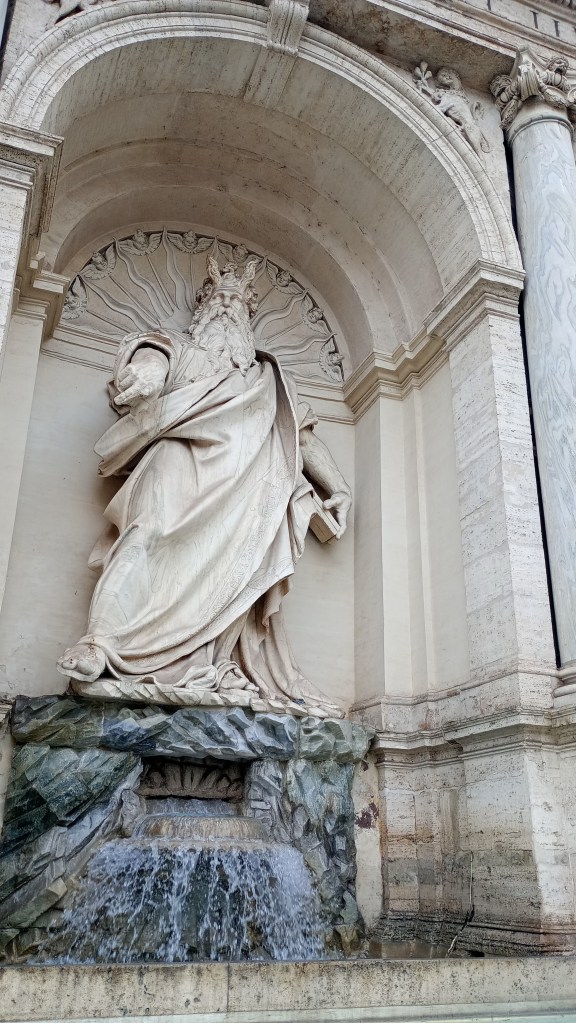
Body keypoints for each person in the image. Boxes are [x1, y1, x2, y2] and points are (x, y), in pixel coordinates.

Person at [57, 256, 351, 712]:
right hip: (177, 465)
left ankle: (210, 660)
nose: (228, 310)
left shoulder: (270, 380)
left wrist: (339, 489)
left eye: (238, 306)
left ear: (248, 319)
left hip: (250, 491)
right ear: (203, 309)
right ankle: (100, 643)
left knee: (235, 577)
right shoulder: (178, 347)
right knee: (144, 537)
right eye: (220, 302)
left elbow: (303, 439)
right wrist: (147, 378)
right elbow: (151, 360)